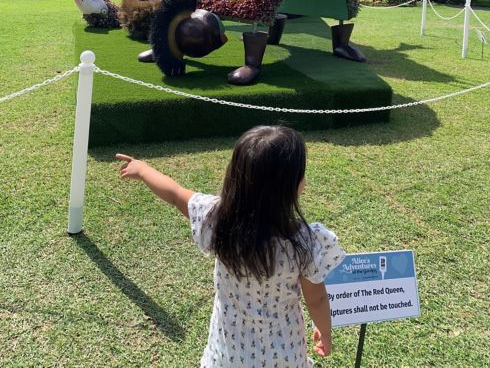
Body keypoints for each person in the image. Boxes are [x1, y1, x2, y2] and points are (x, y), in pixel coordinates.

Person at [116, 125, 345, 367]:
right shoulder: (305, 241)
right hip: (283, 353)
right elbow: (316, 299)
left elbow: (174, 193)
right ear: (291, 186)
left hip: (228, 351)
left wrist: (142, 169)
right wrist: (325, 332)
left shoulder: (216, 218)